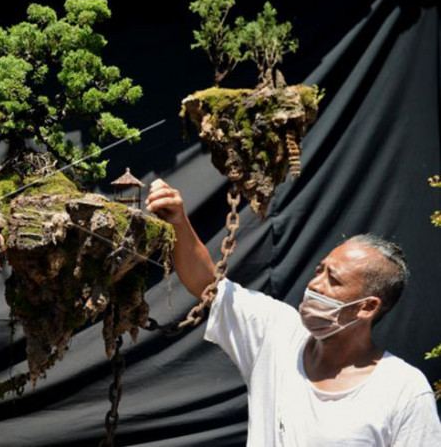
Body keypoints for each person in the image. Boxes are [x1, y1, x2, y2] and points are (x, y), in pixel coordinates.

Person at [145, 178, 441, 446]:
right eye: (319, 270)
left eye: (333, 280)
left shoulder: (403, 391)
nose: (314, 284)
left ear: (367, 307)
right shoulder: (277, 333)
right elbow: (207, 285)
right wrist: (178, 221)